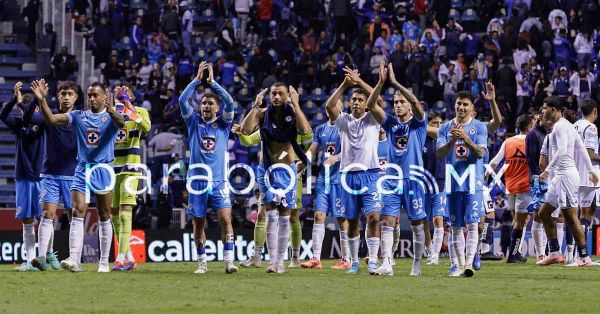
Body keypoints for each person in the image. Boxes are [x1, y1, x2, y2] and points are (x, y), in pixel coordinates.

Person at [32, 79, 125, 273]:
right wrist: (42, 101)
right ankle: (74, 259)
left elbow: (122, 123)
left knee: (104, 214)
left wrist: (111, 111)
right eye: (89, 95)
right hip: (82, 168)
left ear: (104, 97)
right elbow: (52, 120)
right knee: (77, 211)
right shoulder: (79, 116)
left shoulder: (110, 116)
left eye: (95, 95)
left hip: (103, 169)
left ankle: (104, 262)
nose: (91, 99)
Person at [239, 80, 312, 274]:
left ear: (287, 95)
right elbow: (245, 131)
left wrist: (296, 105)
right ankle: (272, 262)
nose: (277, 97)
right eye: (274, 94)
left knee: (285, 215)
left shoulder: (292, 113)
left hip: (286, 170)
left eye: (280, 93)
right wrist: (256, 105)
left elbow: (306, 132)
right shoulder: (263, 114)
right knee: (270, 213)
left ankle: (281, 262)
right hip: (266, 169)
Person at [325, 62, 385, 274]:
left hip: (370, 175)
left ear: (366, 104)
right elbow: (329, 106)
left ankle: (373, 259)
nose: (357, 102)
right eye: (354, 99)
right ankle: (355, 262)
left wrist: (359, 82)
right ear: (349, 103)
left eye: (361, 99)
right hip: (348, 176)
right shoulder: (343, 121)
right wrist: (344, 84)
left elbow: (378, 100)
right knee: (352, 222)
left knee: (374, 217)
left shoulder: (373, 120)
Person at [178, 61, 237, 274]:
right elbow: (182, 99)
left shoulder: (223, 125)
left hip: (219, 181)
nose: (206, 106)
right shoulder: (193, 122)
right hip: (197, 183)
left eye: (210, 103)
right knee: (198, 224)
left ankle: (229, 261)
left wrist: (213, 84)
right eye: (203, 103)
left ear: (216, 108)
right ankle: (202, 263)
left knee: (225, 219)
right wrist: (197, 80)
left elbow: (230, 103)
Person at [373, 63, 428, 276]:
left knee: (417, 222)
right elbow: (371, 105)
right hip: (392, 179)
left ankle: (417, 263)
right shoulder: (389, 124)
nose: (397, 105)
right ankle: (387, 262)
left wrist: (395, 83)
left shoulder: (418, 124)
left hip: (413, 179)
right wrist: (380, 83)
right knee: (387, 219)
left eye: (401, 102)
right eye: (395, 102)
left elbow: (416, 102)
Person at [537, 99, 598, 267]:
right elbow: (581, 149)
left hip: (565, 176)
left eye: (545, 108)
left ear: (554, 109)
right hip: (561, 177)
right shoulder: (568, 126)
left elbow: (563, 151)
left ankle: (584, 257)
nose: (543, 111)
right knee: (543, 213)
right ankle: (555, 253)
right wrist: (591, 171)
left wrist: (547, 170)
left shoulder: (559, 126)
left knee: (571, 217)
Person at [27, 81, 78, 271]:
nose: (65, 97)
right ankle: (41, 258)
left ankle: (74, 258)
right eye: (63, 93)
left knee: (74, 217)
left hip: (74, 174)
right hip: (50, 173)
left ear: (76, 97)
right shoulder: (48, 115)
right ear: (57, 96)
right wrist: (38, 101)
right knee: (47, 215)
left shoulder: (80, 117)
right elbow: (30, 119)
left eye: (69, 93)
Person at [437, 91, 487, 277]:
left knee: (473, 224)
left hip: (473, 180)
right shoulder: (444, 127)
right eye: (459, 103)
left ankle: (468, 264)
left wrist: (465, 138)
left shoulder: (480, 127)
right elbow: (440, 154)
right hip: (453, 180)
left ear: (472, 108)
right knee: (456, 226)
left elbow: (481, 153)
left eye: (465, 104)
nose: (461, 107)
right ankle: (457, 265)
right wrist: (452, 139)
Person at [0, 82, 45, 272]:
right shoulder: (19, 123)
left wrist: (23, 103)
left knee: (45, 217)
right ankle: (31, 260)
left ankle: (45, 255)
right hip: (24, 176)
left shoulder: (43, 121)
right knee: (26, 219)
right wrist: (13, 98)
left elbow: (29, 116)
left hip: (40, 175)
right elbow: (2, 115)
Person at [110, 83, 151, 271]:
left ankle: (119, 258)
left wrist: (129, 107)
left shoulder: (140, 111)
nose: (121, 92)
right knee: (114, 215)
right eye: (118, 90)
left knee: (126, 213)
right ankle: (129, 257)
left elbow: (147, 127)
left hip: (130, 168)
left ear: (132, 96)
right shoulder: (108, 112)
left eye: (125, 91)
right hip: (110, 169)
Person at [487, 114, 533, 263]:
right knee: (522, 220)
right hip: (525, 185)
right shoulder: (531, 141)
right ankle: (514, 254)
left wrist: (484, 175)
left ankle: (514, 252)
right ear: (529, 127)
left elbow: (495, 161)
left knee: (516, 220)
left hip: (510, 185)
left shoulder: (508, 141)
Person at [572, 99, 600, 265]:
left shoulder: (575, 125)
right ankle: (580, 256)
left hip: (575, 174)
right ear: (594, 111)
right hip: (588, 176)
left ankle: (578, 255)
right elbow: (590, 154)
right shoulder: (591, 127)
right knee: (587, 214)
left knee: (577, 215)